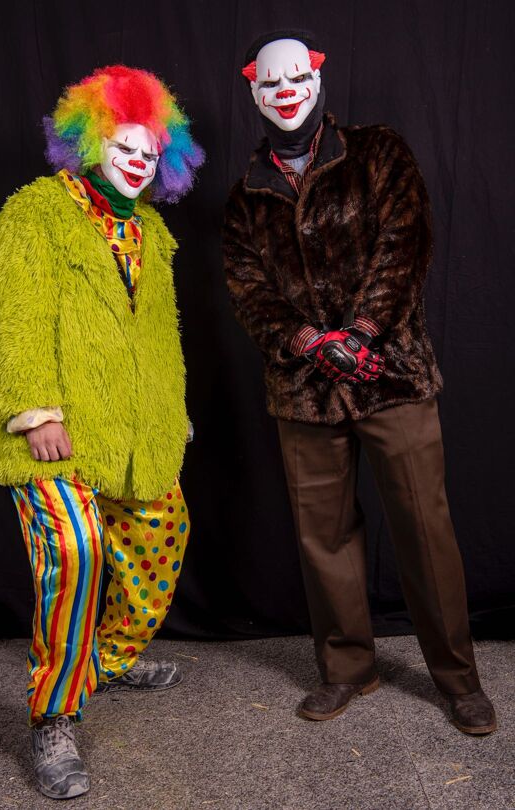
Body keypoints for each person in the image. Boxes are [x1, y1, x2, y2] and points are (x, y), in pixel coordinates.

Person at [223, 30, 496, 736]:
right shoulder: (244, 197)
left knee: (424, 526)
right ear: (253, 91)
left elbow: (405, 243)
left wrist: (363, 332)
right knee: (324, 535)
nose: (285, 93)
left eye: (296, 79)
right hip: (303, 390)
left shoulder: (378, 152)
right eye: (270, 83)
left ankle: (458, 679)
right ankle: (347, 668)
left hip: (390, 376)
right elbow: (250, 291)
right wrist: (308, 342)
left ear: (317, 80)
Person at [0, 64, 204, 799]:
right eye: (123, 146)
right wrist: (35, 410)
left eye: (150, 152)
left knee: (163, 532)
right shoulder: (37, 211)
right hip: (53, 432)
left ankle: (105, 660)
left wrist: (169, 414)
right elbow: (12, 315)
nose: (137, 161)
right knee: (76, 552)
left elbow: (160, 336)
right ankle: (55, 714)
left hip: (133, 430)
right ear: (89, 143)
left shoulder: (152, 232)